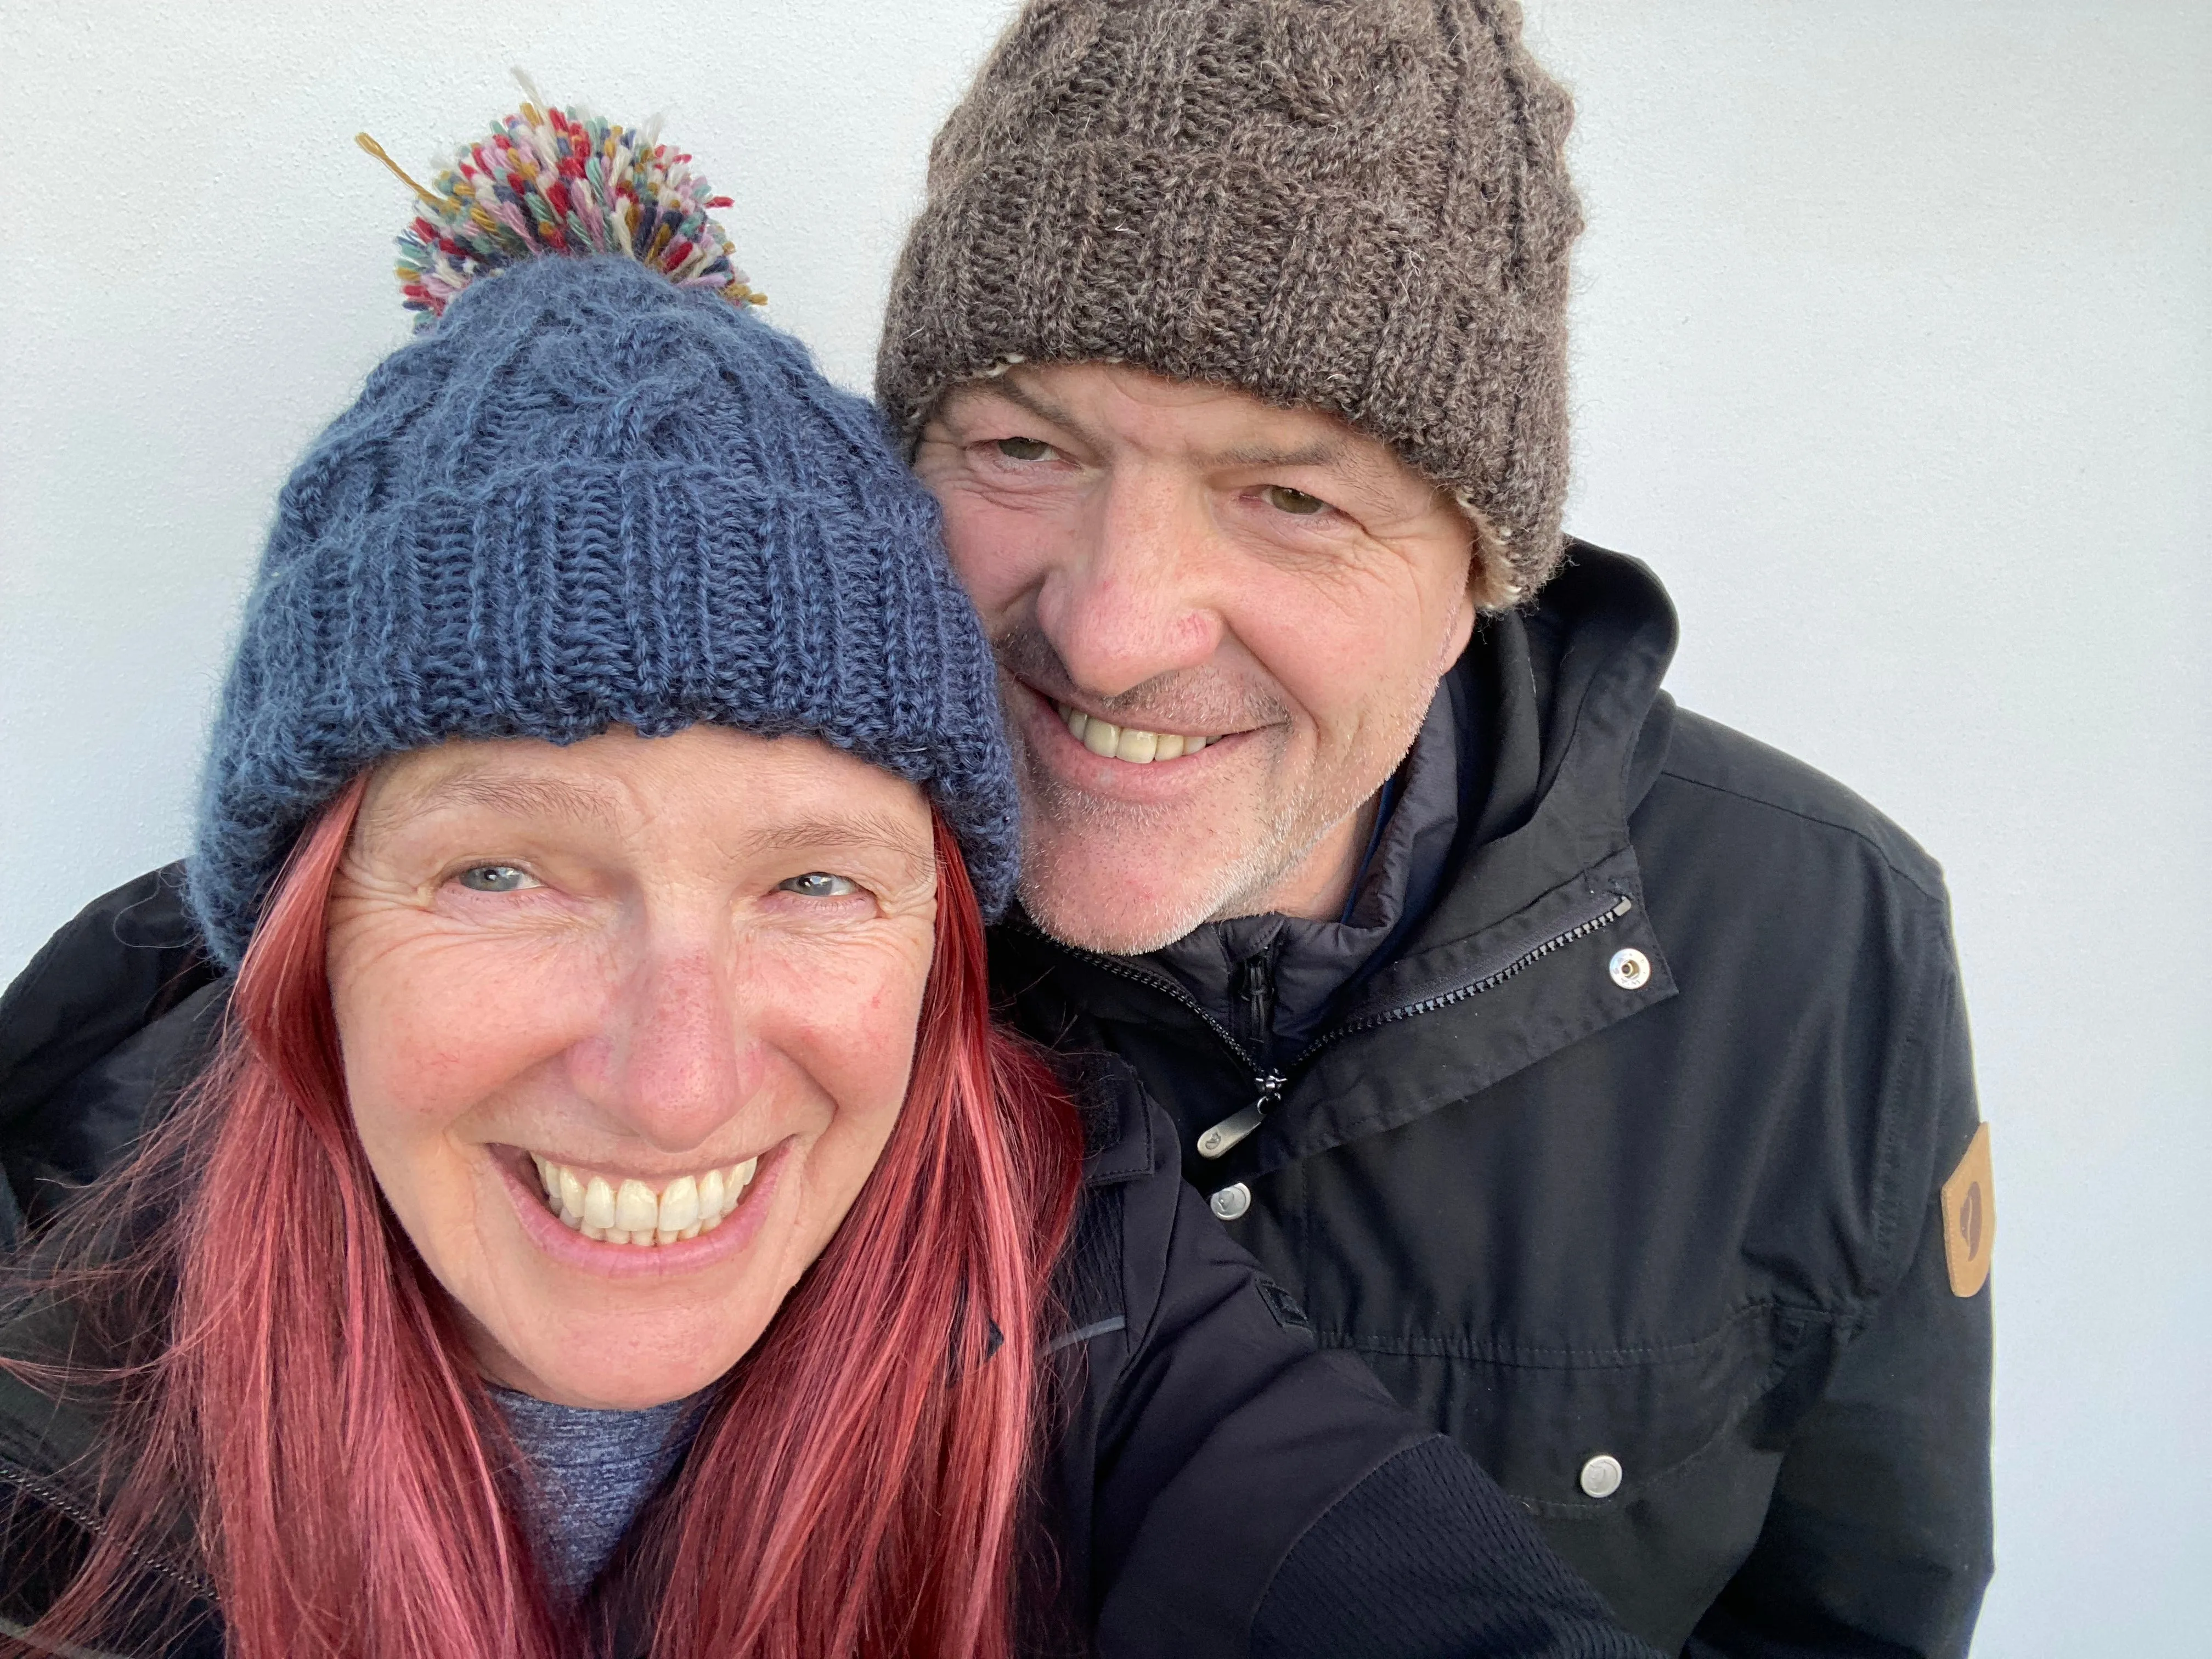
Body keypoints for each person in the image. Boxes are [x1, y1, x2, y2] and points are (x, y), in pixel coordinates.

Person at [3, 3, 1996, 1654]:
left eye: (1292, 495)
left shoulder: (1814, 941)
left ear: (1484, 559)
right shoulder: (153, 1161)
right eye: (1024, 449)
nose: (1115, 632)